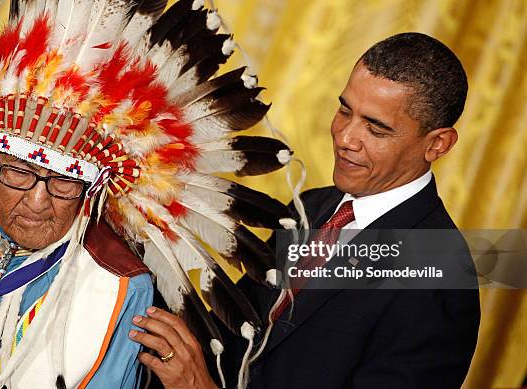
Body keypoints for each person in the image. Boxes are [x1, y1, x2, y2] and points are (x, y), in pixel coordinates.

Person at [0, 0, 294, 387]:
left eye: (65, 180)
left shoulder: (115, 286)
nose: (37, 200)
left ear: (94, 189)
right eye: (18, 171)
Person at [131, 32, 481, 389]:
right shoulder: (311, 207)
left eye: (376, 128)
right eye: (345, 111)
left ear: (437, 144)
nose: (345, 138)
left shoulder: (441, 279)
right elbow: (233, 332)